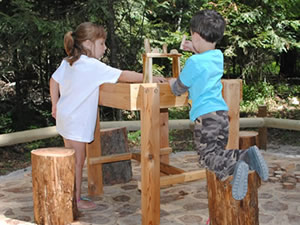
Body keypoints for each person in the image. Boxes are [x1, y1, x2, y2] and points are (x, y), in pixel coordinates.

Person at [50, 22, 166, 210]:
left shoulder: (69, 61)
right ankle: (75, 201)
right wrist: (149, 77)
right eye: (102, 43)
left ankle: (71, 197)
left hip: (65, 118)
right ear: (88, 44)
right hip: (77, 123)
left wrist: (55, 105)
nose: (105, 48)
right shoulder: (92, 65)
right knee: (78, 162)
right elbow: (123, 75)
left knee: (70, 160)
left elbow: (53, 81)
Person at [168, 10, 268, 200]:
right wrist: (194, 47)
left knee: (207, 157)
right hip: (221, 115)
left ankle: (237, 164)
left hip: (205, 117)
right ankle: (243, 158)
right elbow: (204, 57)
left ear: (195, 36)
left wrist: (170, 81)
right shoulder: (217, 57)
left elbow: (177, 89)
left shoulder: (193, 62)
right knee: (218, 153)